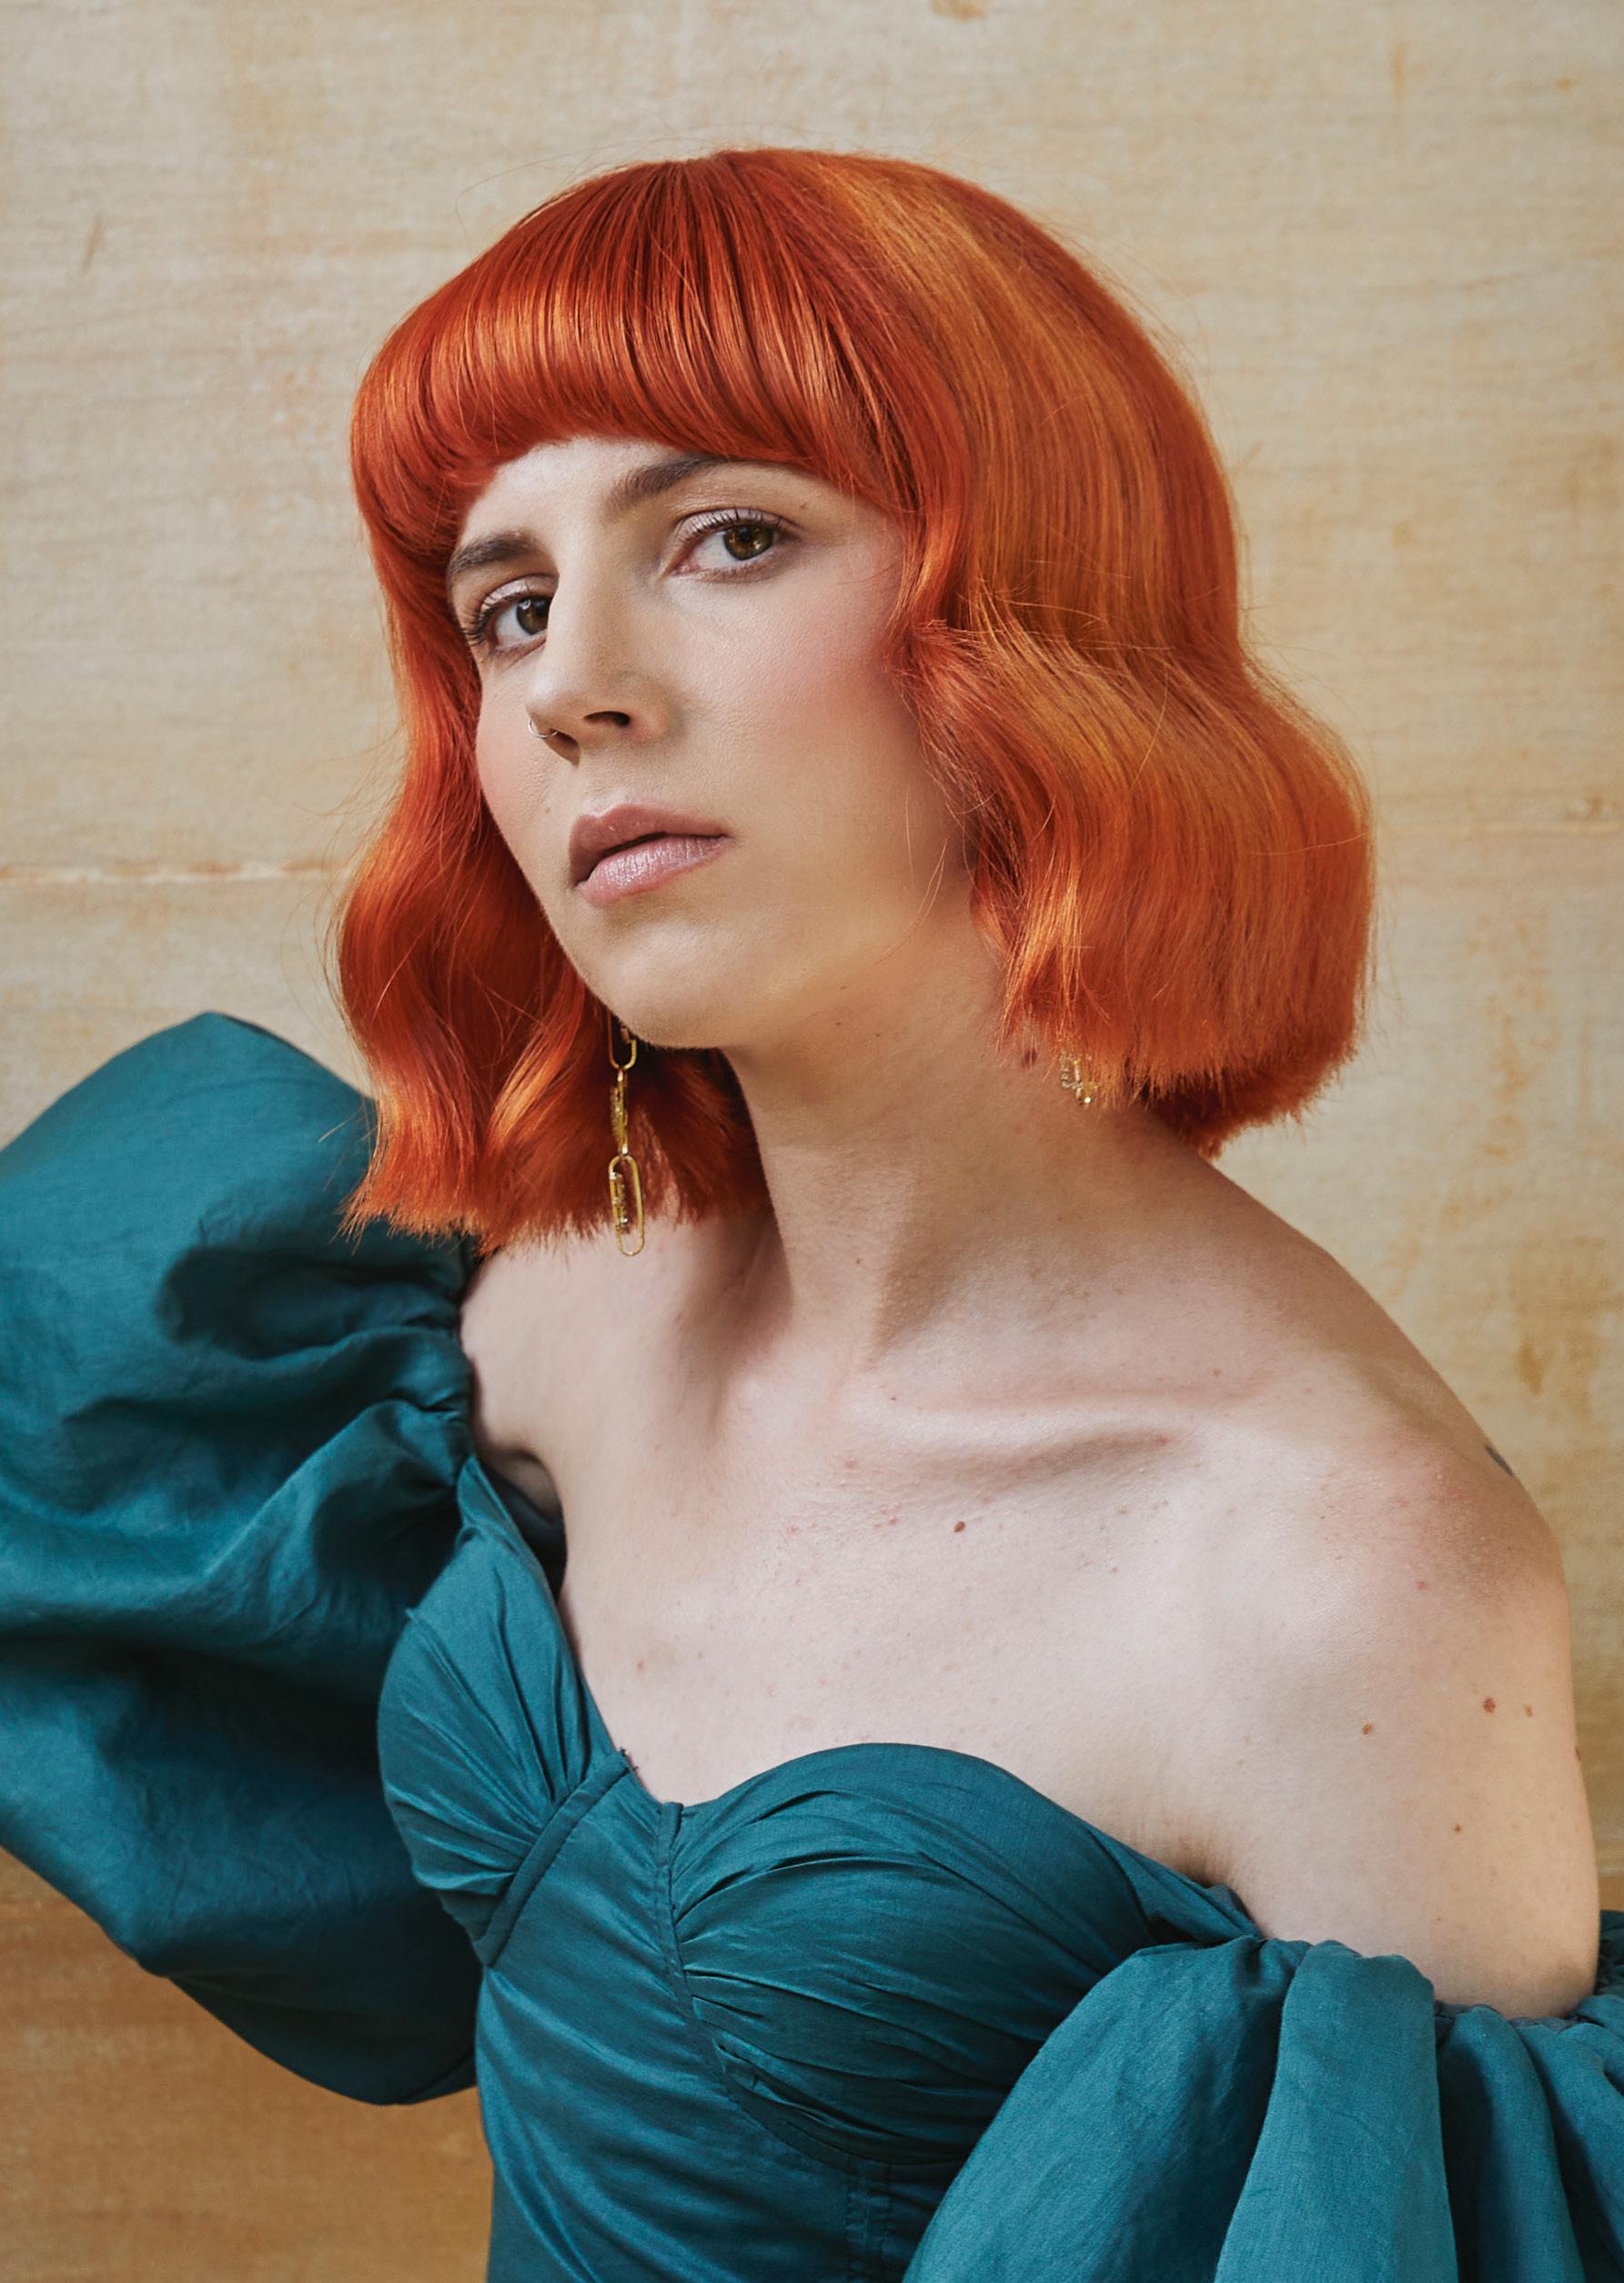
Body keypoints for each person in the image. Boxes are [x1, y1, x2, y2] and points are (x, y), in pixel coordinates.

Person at [2, 145, 1619, 2282]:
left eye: (727, 536)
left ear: (1033, 610)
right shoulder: (543, 1307)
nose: (570, 683)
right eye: (506, 603)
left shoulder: (1347, 1572)